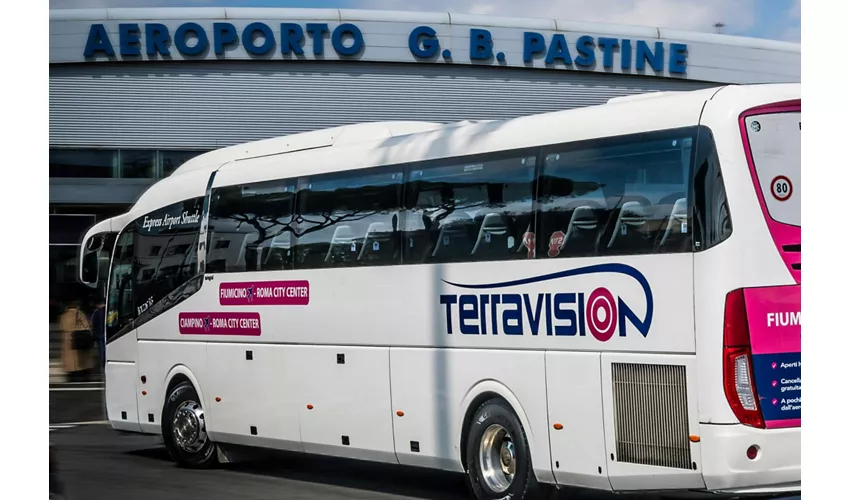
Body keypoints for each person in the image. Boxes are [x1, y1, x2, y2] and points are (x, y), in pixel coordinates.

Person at [59, 301, 95, 382]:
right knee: (81, 357)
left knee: (69, 358)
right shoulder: (79, 313)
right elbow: (86, 325)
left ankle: (71, 373)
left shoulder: (63, 316)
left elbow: (61, 327)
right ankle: (82, 373)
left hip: (67, 338)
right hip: (78, 336)